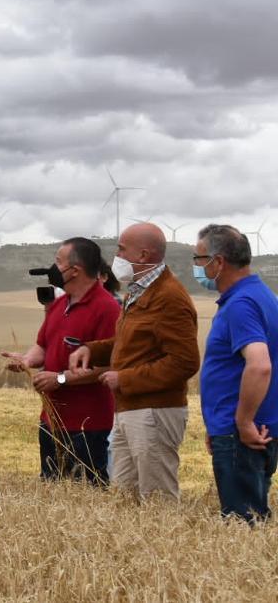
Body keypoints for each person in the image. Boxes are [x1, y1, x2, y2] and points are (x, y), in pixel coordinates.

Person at [68, 222, 200, 499]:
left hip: (154, 411)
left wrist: (124, 378)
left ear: (143, 256)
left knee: (156, 499)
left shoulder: (169, 297)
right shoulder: (139, 291)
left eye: (121, 249)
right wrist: (91, 350)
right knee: (124, 498)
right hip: (131, 408)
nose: (116, 255)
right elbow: (130, 343)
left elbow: (184, 362)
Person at [3, 238, 119, 484]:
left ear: (74, 270)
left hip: (89, 425)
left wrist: (61, 379)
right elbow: (43, 345)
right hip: (51, 420)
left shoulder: (107, 309)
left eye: (58, 263)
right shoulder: (58, 305)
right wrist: (25, 360)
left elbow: (110, 364)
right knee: (52, 492)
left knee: (88, 494)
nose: (54, 269)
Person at [194, 224, 278, 522]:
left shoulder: (241, 304)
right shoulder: (262, 296)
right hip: (244, 430)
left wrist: (240, 422)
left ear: (218, 262)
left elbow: (260, 364)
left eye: (199, 259)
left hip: (243, 435)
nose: (196, 266)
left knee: (243, 526)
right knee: (252, 526)